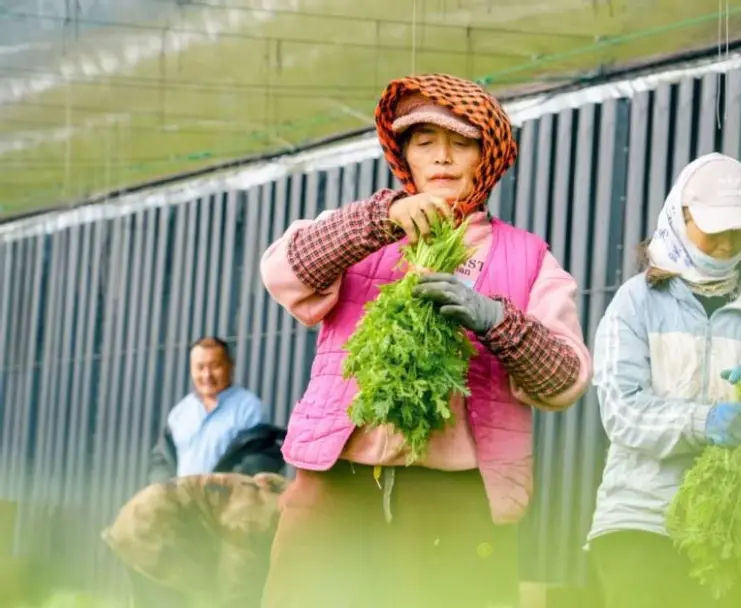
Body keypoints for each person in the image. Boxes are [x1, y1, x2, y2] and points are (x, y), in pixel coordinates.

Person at [258, 73, 592, 607]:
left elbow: (566, 379)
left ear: (487, 158)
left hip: (453, 498)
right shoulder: (368, 228)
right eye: (424, 142)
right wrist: (380, 219)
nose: (442, 157)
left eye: (461, 143)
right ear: (404, 156)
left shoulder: (527, 257)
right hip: (338, 484)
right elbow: (283, 271)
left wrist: (495, 320)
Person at [586, 153, 741, 607]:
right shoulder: (637, 302)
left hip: (737, 534)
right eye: (715, 230)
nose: (726, 244)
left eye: (739, 232)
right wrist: (703, 422)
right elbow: (622, 411)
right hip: (643, 525)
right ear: (681, 219)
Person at [102, 472, 289, 607]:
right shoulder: (259, 519)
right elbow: (237, 587)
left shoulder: (276, 500)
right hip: (153, 525)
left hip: (145, 519)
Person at [148, 337, 283, 483]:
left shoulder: (250, 409)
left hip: (227, 496)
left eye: (215, 366)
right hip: (181, 497)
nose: (207, 375)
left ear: (230, 366)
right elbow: (161, 460)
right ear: (191, 370)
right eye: (200, 367)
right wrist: (165, 487)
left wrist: (219, 490)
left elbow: (258, 460)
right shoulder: (179, 413)